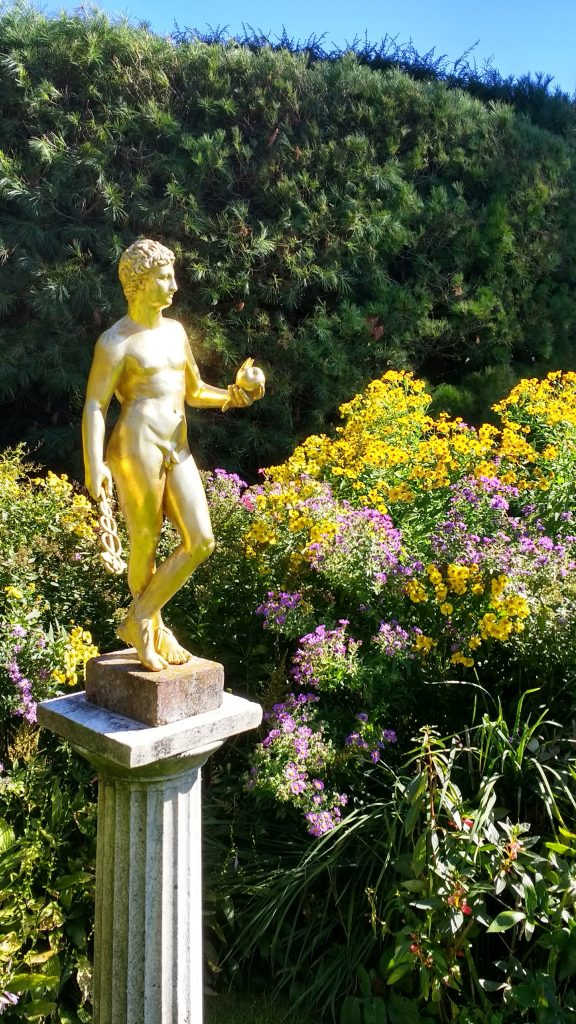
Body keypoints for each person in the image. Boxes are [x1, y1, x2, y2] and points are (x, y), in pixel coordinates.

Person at [82, 239, 265, 671]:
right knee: (144, 541)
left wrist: (236, 396)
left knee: (200, 540)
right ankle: (151, 632)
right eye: (165, 277)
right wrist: (94, 463)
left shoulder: (176, 332)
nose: (174, 285)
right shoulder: (115, 342)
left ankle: (140, 617)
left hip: (177, 445)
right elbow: (94, 405)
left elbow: (194, 390)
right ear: (139, 283)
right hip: (136, 445)